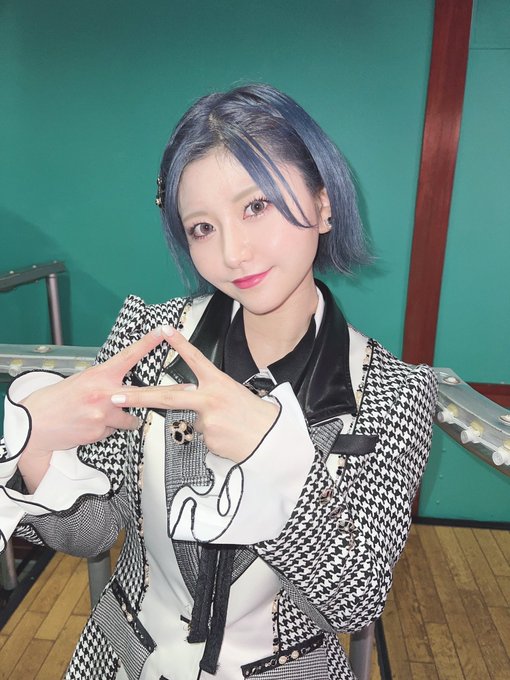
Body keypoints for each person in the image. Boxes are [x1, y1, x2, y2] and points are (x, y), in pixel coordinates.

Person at [0, 84, 437, 680]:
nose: (234, 252)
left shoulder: (391, 391)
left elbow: (353, 603)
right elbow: (90, 531)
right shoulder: (150, 339)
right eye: (202, 227)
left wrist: (274, 461)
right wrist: (34, 444)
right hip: (122, 659)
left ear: (324, 203)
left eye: (256, 206)